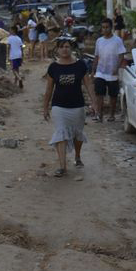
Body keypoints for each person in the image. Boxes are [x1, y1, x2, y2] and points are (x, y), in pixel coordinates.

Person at [42, 35, 95, 177]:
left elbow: (88, 84)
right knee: (61, 133)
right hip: (59, 106)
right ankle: (62, 166)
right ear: (57, 50)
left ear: (71, 48)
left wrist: (94, 103)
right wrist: (45, 107)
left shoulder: (81, 65)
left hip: (77, 106)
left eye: (67, 46)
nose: (64, 49)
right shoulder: (53, 67)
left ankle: (77, 156)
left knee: (77, 134)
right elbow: (48, 90)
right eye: (61, 47)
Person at [92, 18, 127, 122]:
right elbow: (96, 56)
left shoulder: (117, 40)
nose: (105, 29)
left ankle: (111, 115)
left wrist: (116, 68)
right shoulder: (99, 41)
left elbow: (121, 55)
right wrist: (93, 70)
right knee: (99, 94)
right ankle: (99, 115)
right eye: (103, 27)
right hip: (100, 72)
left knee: (113, 95)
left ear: (111, 28)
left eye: (107, 27)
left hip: (112, 73)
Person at [7, 25, 25, 89]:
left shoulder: (9, 38)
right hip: (19, 55)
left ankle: (19, 78)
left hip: (13, 55)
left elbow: (9, 48)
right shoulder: (19, 38)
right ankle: (15, 83)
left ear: (13, 30)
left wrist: (8, 56)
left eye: (10, 30)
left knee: (13, 69)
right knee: (17, 69)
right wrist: (22, 56)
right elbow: (22, 47)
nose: (9, 31)